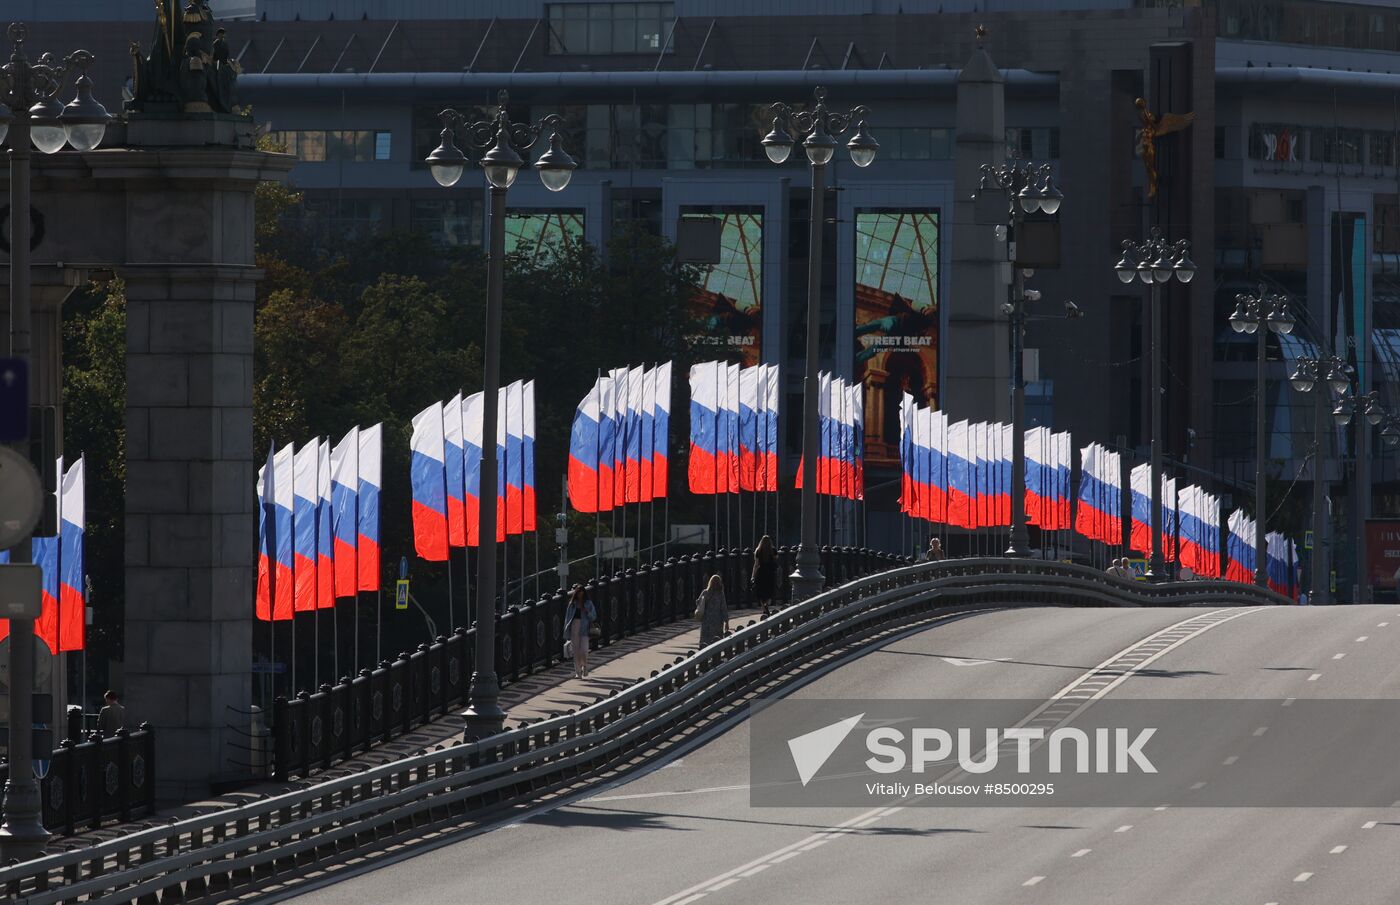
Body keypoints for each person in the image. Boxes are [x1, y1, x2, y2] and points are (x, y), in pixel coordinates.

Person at [562, 585, 597, 679]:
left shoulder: (588, 603)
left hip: (585, 628)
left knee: (584, 650)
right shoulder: (572, 604)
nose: (580, 596)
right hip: (574, 627)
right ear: (576, 594)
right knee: (576, 650)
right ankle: (578, 672)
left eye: (582, 594)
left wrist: (586, 611)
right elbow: (567, 618)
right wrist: (566, 630)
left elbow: (594, 616)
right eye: (578, 594)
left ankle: (585, 666)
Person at [695, 574, 729, 646]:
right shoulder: (720, 594)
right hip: (718, 620)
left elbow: (698, 602)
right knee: (716, 639)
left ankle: (704, 650)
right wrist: (727, 621)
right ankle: (716, 654)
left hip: (706, 620)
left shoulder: (705, 592)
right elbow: (723, 608)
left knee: (706, 638)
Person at [751, 535, 780, 616]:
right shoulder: (773, 550)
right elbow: (776, 558)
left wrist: (753, 575)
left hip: (761, 573)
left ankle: (764, 609)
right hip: (770, 573)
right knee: (769, 591)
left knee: (760, 592)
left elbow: (756, 564)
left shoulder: (758, 550)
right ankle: (767, 604)